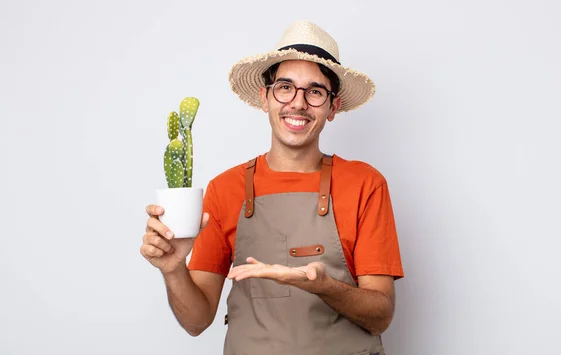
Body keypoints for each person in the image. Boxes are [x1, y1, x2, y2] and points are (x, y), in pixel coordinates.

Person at [141, 20, 404, 355]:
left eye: (314, 91)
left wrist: (325, 287)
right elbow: (196, 321)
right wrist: (174, 269)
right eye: (285, 87)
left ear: (332, 107)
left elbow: (380, 316)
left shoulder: (365, 184)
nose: (297, 103)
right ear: (265, 98)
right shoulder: (224, 189)